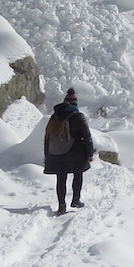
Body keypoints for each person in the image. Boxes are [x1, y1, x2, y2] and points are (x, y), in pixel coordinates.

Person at [43, 87, 95, 215]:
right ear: (75, 104)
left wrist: (47, 155)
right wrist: (89, 153)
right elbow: (87, 137)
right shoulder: (78, 116)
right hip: (76, 153)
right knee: (78, 174)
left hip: (56, 153)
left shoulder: (54, 117)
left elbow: (47, 137)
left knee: (61, 179)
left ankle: (61, 205)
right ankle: (75, 200)